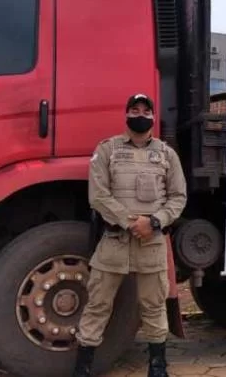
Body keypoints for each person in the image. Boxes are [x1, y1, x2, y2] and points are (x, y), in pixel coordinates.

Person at [72, 93, 187, 377]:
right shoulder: (107, 150)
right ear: (126, 115)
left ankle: (157, 366)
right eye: (134, 109)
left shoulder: (166, 154)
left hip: (152, 243)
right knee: (98, 304)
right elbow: (98, 196)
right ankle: (83, 367)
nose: (140, 114)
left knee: (153, 305)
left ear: (152, 117)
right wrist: (130, 222)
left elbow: (178, 197)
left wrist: (155, 222)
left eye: (145, 110)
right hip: (114, 241)